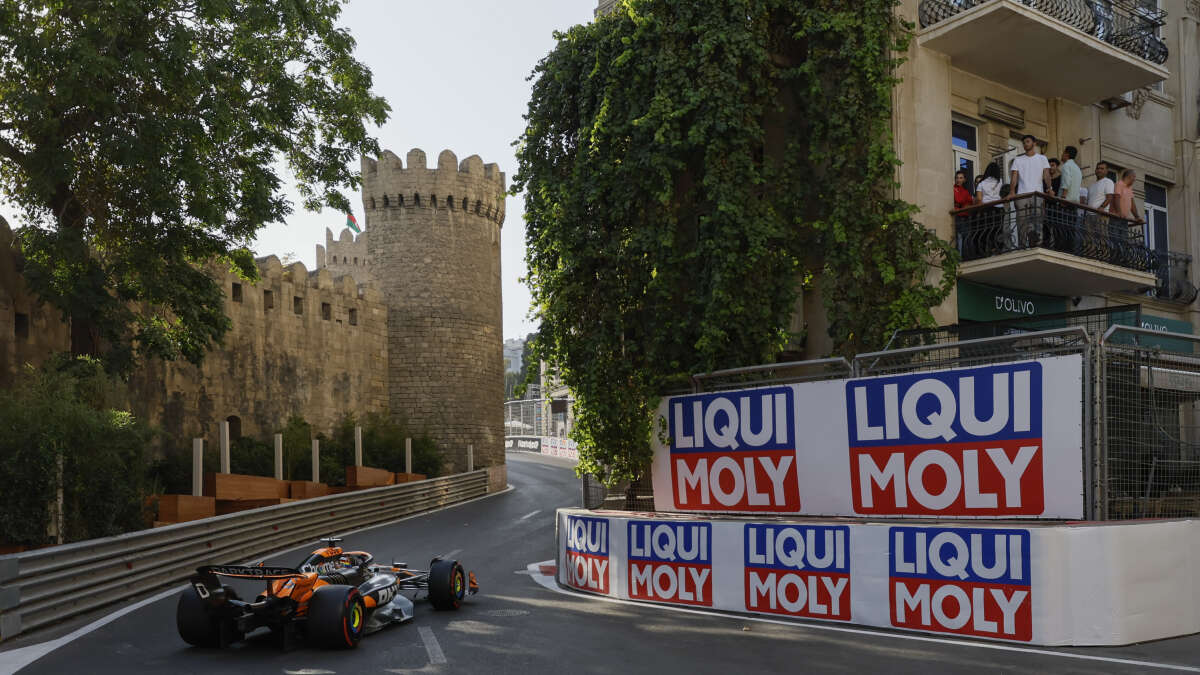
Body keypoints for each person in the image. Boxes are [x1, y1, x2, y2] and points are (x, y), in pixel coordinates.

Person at [1009, 134, 1052, 248]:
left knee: (1038, 220)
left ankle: (1038, 245)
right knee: (1022, 222)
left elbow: (1046, 175)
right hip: (1022, 195)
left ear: (1034, 143)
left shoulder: (1042, 158)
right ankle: (1022, 246)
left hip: (1037, 194)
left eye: (1027, 141)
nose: (1025, 144)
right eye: (1024, 142)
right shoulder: (1018, 159)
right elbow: (1014, 176)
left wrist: (1049, 188)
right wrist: (1012, 191)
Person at [971, 162, 1005, 257]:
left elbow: (979, 199)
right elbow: (1002, 193)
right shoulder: (1000, 181)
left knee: (987, 230)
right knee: (997, 229)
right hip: (999, 208)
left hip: (987, 209)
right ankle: (997, 249)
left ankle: (988, 250)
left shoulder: (981, 183)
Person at [1055, 146, 1083, 252]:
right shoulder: (1077, 168)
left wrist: (1063, 197)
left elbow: (1066, 181)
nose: (1062, 155)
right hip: (1074, 203)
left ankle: (1062, 249)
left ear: (1066, 154)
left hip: (1065, 202)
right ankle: (1069, 250)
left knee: (1062, 227)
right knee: (1070, 228)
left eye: (1063, 153)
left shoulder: (1066, 166)